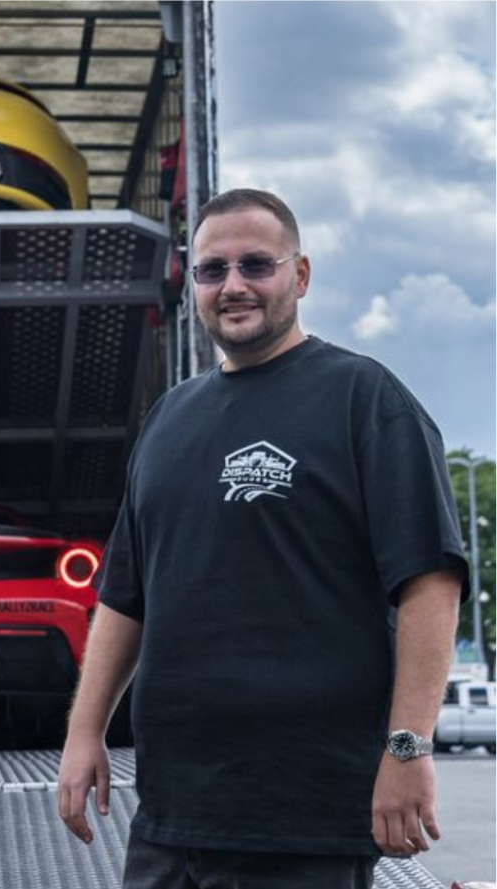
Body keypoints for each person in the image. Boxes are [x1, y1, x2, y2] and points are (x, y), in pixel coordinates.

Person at [58, 188, 467, 888]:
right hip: (170, 815)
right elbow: (125, 597)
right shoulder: (168, 419)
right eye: (212, 270)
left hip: (302, 818)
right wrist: (83, 731)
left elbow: (430, 582)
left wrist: (407, 747)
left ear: (299, 275)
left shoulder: (364, 399)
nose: (234, 286)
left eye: (256, 264)